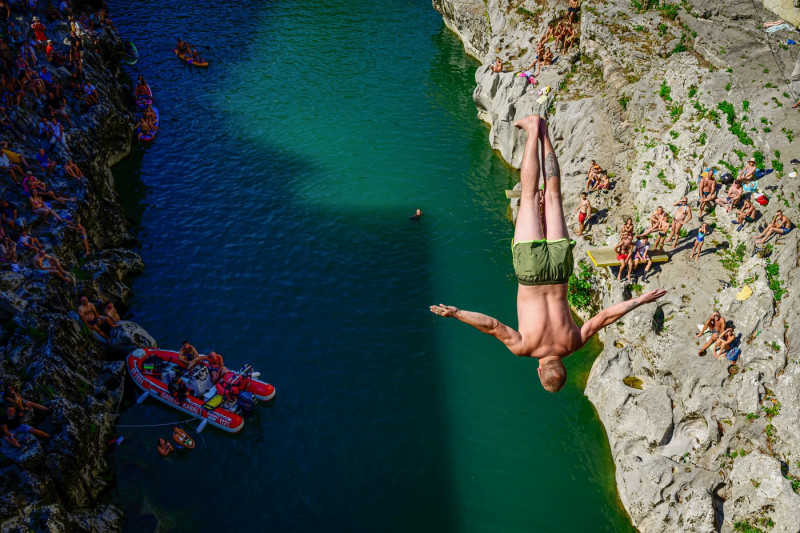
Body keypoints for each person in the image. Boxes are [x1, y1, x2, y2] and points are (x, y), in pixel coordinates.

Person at [430, 115, 666, 393]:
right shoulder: (524, 347)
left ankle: (542, 132)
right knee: (529, 195)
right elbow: (492, 325)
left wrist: (639, 300)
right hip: (529, 273)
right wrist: (457, 313)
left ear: (563, 366)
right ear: (539, 370)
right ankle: (532, 130)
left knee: (552, 194)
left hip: (559, 272)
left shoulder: (574, 343)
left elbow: (604, 317)